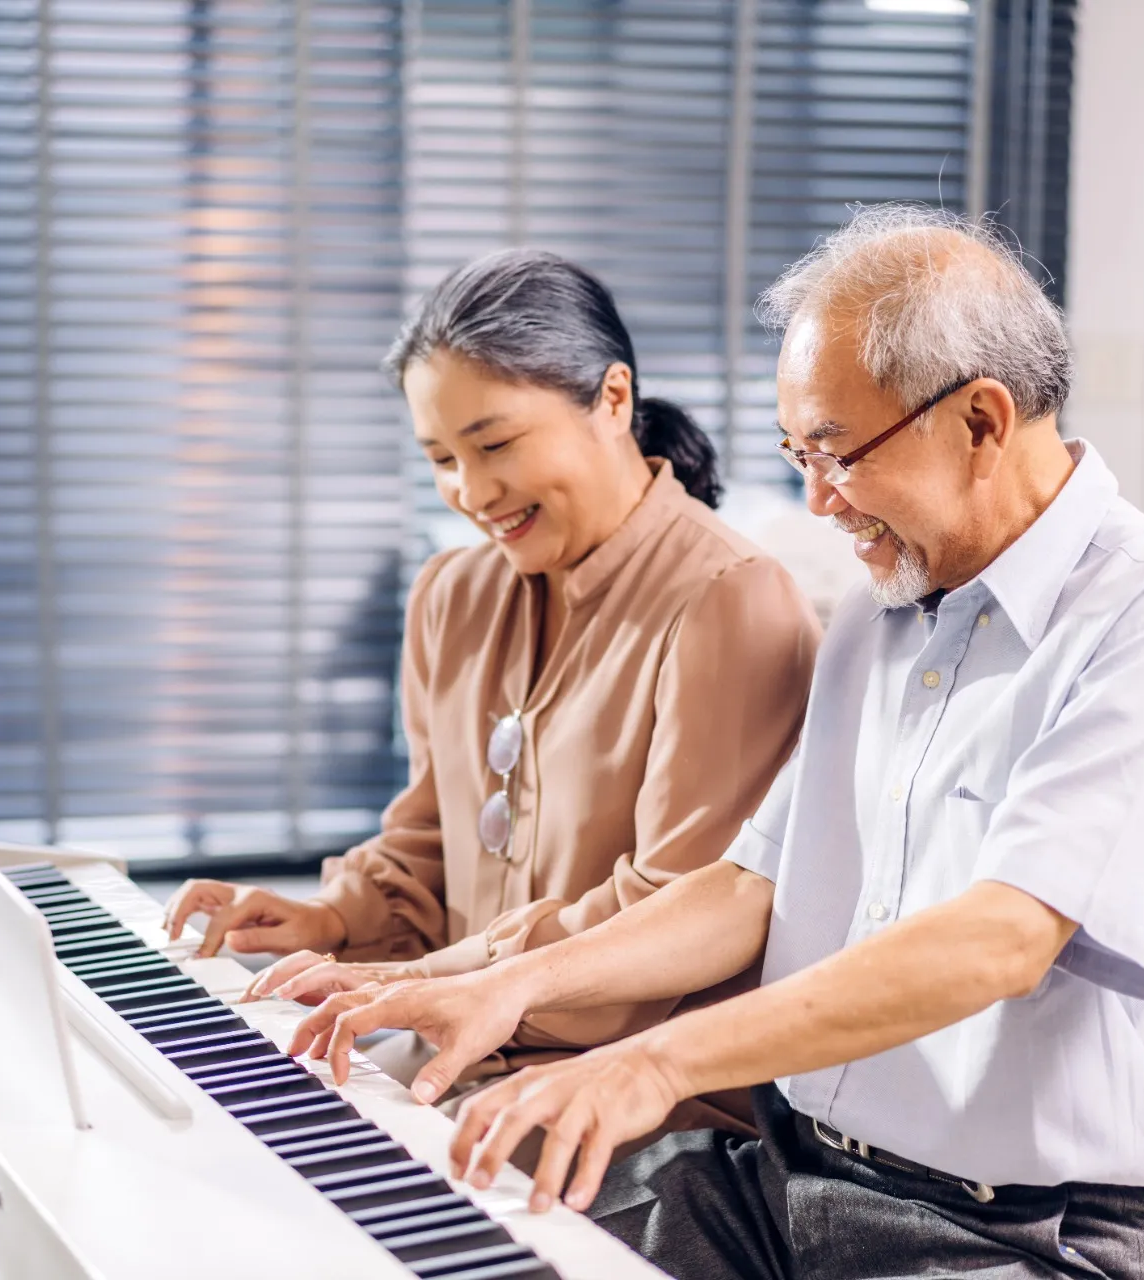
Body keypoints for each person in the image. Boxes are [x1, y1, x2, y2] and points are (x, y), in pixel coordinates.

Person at [285, 207, 1144, 1280]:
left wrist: (655, 1059)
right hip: (786, 1180)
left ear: (982, 419)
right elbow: (749, 883)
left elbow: (998, 938)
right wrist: (510, 983)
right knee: (423, 1236)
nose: (817, 498)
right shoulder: (884, 609)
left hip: (1017, 1232)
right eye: (798, 453)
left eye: (838, 452)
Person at [163, 248, 821, 1095]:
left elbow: (673, 911)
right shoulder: (451, 593)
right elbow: (431, 841)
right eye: (440, 459)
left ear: (612, 400)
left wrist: (440, 981)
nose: (470, 492)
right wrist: (329, 920)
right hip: (453, 1050)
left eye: (495, 443)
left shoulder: (733, 603)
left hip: (629, 1101)